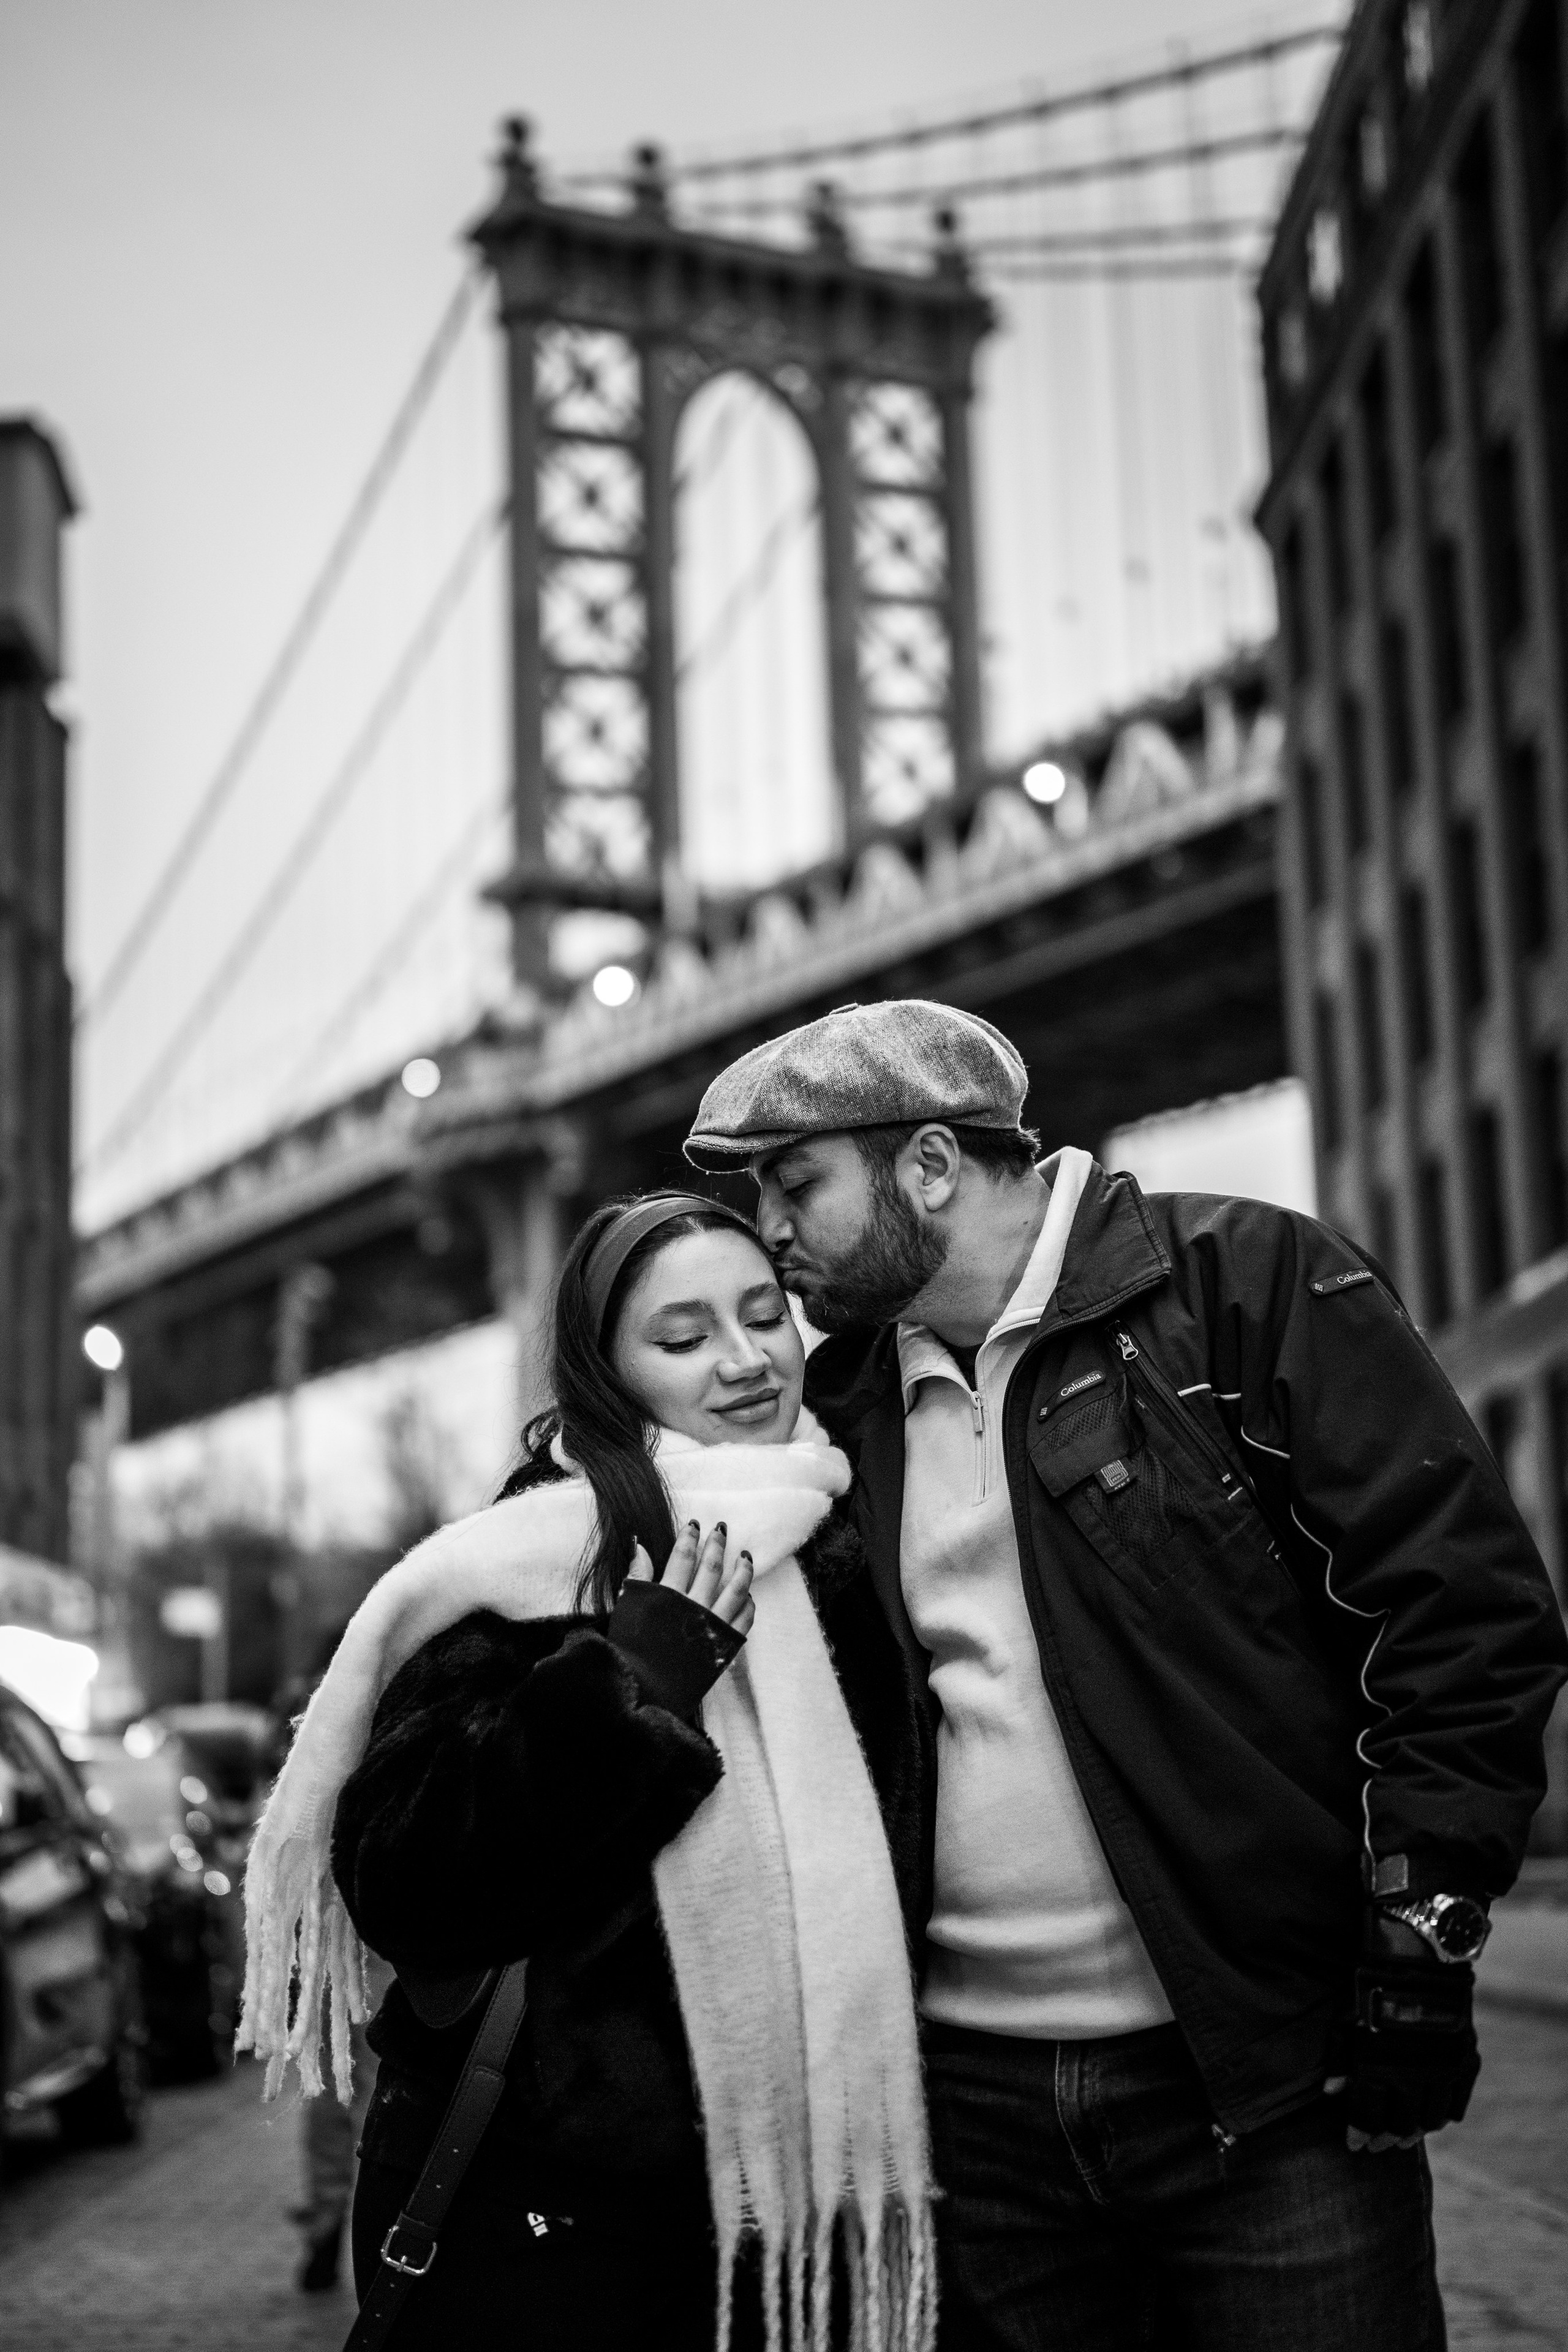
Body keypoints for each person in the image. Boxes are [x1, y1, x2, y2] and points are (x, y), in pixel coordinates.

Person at [682, 998, 1568, 2352]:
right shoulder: (836, 1410)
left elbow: (1459, 1612)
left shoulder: (1243, 1286)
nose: (772, 1232)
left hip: (1267, 2088)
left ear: (928, 1165)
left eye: (794, 1183)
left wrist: (1423, 1924)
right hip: (967, 2119)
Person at [236, 1192, 936, 2352]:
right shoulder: (524, 1569)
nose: (745, 1359)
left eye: (764, 1317)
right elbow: (405, 1878)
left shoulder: (850, 1539)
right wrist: (636, 1687)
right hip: (562, 2225)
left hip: (820, 2214)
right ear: (606, 1375)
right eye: (683, 1337)